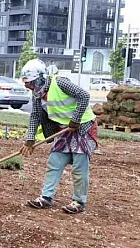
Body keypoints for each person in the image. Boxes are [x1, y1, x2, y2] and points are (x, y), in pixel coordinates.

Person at [18, 59, 98, 214]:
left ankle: (79, 201)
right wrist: (30, 138)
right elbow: (35, 115)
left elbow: (84, 96)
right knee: (54, 162)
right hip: (65, 130)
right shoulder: (37, 95)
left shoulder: (60, 83)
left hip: (83, 128)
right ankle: (46, 198)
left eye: (30, 83)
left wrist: (75, 120)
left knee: (79, 167)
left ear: (40, 78)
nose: (28, 86)